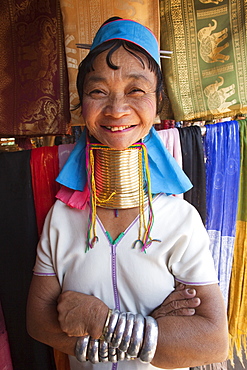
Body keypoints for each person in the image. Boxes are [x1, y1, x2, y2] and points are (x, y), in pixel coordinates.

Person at [26, 17, 228, 370]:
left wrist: (101, 321)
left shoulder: (179, 221)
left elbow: (211, 343)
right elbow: (38, 322)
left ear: (158, 100)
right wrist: (151, 327)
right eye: (98, 91)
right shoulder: (61, 218)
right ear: (82, 102)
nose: (116, 109)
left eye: (136, 90)